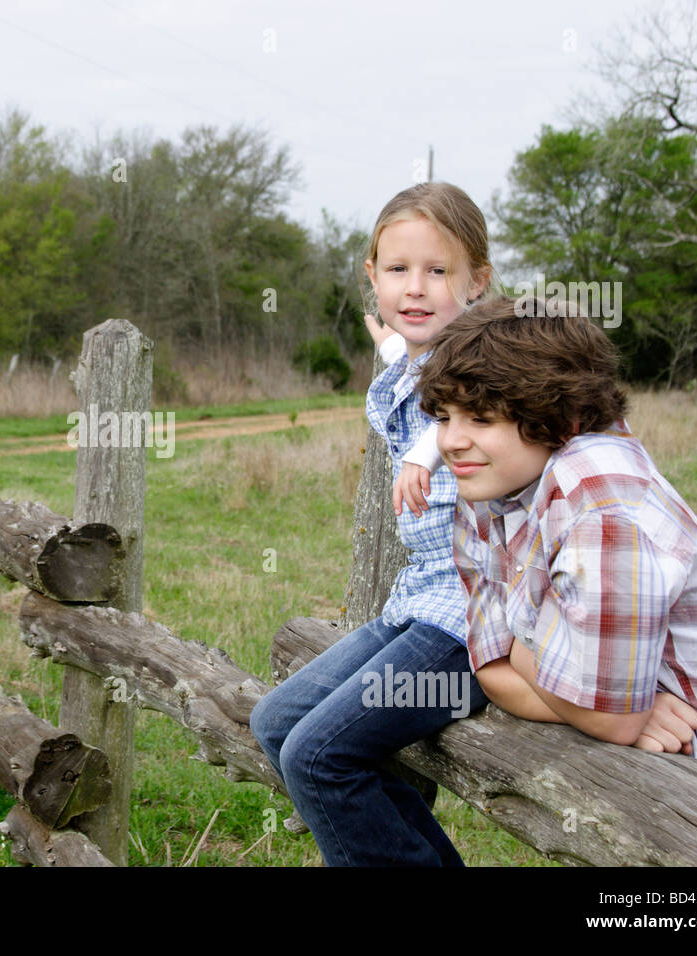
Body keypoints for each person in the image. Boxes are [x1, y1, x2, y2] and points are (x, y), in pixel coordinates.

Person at [416, 296, 697, 794]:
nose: (451, 441)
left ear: (561, 419)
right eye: (444, 416)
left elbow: (608, 719)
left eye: (480, 419)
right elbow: (491, 667)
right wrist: (594, 699)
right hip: (654, 772)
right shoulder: (488, 483)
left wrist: (537, 659)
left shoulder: (599, 498)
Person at [250, 181, 494, 866]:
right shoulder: (406, 366)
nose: (415, 288)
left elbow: (465, 397)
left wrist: (426, 448)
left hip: (473, 621)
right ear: (372, 278)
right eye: (397, 270)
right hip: (419, 600)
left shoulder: (491, 362)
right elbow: (416, 367)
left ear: (478, 282)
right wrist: (389, 345)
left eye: (438, 271)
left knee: (319, 756)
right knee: (275, 724)